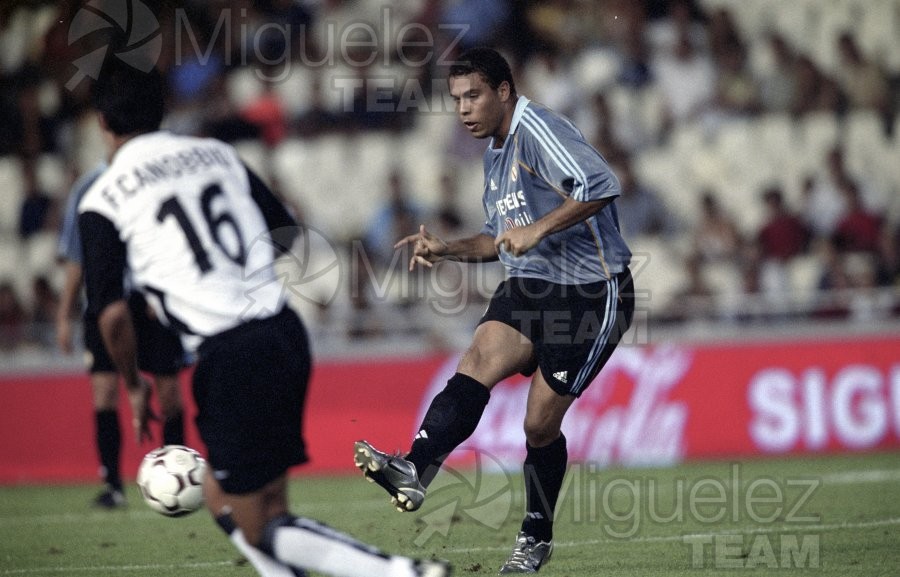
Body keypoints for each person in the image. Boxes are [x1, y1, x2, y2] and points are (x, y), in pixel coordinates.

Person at [78, 59, 448, 577]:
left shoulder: (102, 198)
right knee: (220, 492)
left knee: (260, 523)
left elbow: (111, 316)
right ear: (163, 109)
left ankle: (400, 573)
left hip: (229, 353)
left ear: (101, 122)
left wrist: (133, 385)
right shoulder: (217, 154)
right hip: (284, 333)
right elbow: (287, 233)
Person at [353, 47, 634, 574]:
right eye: (456, 98)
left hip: (592, 293)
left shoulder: (538, 129)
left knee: (538, 427)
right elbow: (499, 241)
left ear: (504, 91)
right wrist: (447, 249)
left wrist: (539, 229)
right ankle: (414, 467)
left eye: (473, 95)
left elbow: (599, 185)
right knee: (479, 357)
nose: (462, 109)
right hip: (532, 283)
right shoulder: (493, 154)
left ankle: (536, 535)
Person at [56, 163, 187, 509]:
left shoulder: (158, 177)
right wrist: (64, 314)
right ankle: (113, 485)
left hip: (150, 302)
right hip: (101, 300)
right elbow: (75, 255)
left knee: (170, 393)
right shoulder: (88, 186)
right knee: (104, 391)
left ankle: (177, 475)